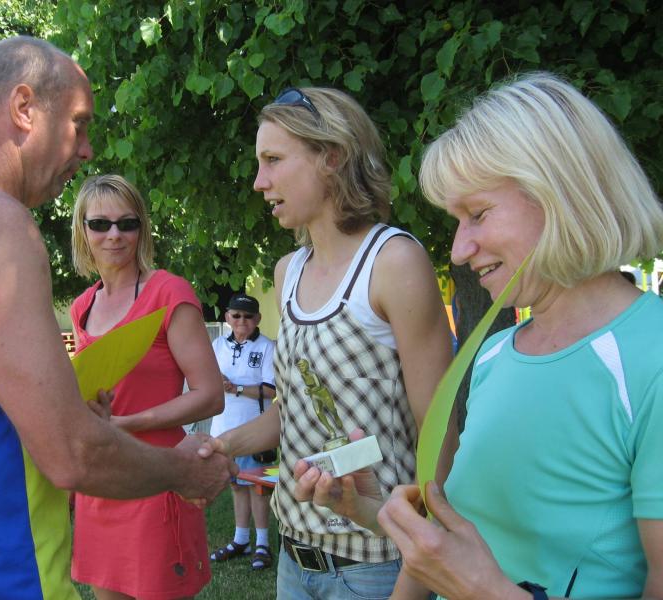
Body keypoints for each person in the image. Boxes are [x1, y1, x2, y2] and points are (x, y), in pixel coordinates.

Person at [0, 36, 234, 599]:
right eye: (79, 124)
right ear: (24, 108)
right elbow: (71, 453)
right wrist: (186, 471)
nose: (87, 149)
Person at [315, 73, 663, 599]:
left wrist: (485, 590)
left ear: (560, 194)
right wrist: (370, 509)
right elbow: (469, 536)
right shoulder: (496, 354)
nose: (459, 250)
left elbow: (478, 575)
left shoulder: (650, 358)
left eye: (477, 214)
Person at [205, 87, 453, 599]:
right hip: (294, 559)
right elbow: (295, 409)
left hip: (376, 566)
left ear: (332, 156)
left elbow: (440, 432)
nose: (259, 181)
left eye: (274, 160)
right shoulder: (287, 272)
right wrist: (219, 447)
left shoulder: (394, 262)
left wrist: (417, 576)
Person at [68, 174, 225, 599]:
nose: (114, 235)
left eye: (127, 223)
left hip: (157, 475)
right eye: (100, 224)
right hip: (101, 481)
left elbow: (210, 395)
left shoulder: (168, 292)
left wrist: (126, 423)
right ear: (82, 230)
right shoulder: (82, 307)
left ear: (142, 229)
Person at [208, 293, 277, 570]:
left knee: (257, 488)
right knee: (237, 485)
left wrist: (234, 387)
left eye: (248, 316)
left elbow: (271, 390)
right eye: (236, 315)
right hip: (223, 428)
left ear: (258, 318)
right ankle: (241, 540)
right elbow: (207, 380)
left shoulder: (267, 347)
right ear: (227, 317)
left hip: (255, 431)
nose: (242, 321)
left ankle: (263, 544)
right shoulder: (217, 345)